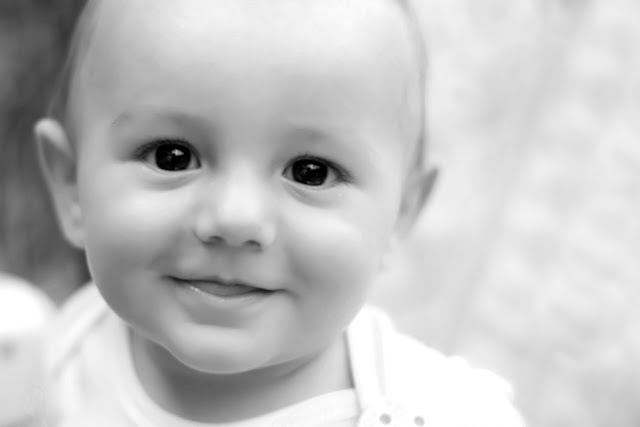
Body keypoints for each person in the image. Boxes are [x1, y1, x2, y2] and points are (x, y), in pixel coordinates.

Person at [35, 0, 525, 425]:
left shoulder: (447, 414)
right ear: (71, 184)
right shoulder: (57, 357)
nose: (235, 219)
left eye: (311, 172)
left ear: (400, 212)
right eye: (172, 157)